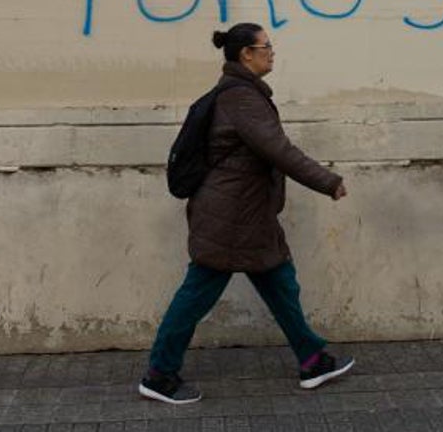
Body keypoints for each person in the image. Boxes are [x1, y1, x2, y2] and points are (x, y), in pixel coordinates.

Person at [139, 22, 353, 405]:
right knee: (197, 294)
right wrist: (328, 181)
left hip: (247, 216)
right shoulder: (241, 98)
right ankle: (159, 374)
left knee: (281, 283)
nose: (273, 51)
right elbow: (279, 150)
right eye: (266, 46)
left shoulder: (244, 94)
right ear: (246, 55)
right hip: (230, 218)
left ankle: (312, 359)